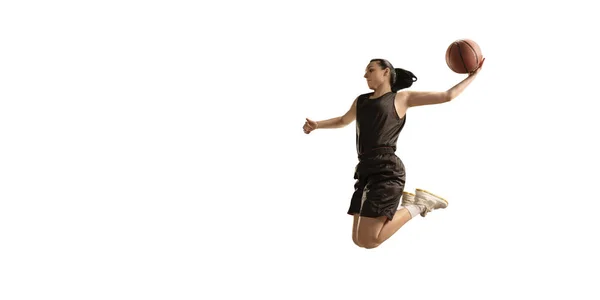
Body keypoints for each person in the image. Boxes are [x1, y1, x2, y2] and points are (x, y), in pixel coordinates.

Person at [302, 58, 485, 249]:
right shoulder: (361, 101)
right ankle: (411, 205)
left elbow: (447, 95)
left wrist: (473, 75)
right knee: (358, 240)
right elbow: (342, 120)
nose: (365, 75)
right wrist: (317, 125)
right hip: (364, 169)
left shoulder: (402, 98)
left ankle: (419, 205)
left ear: (386, 72)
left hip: (386, 170)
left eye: (370, 70)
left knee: (370, 240)